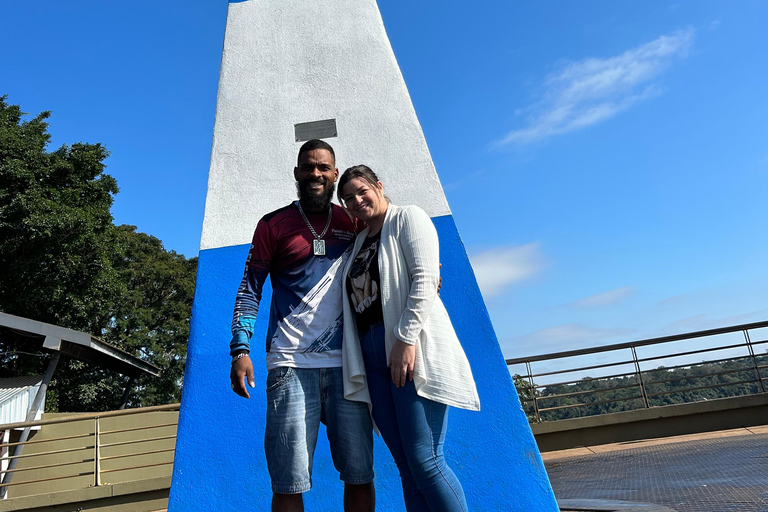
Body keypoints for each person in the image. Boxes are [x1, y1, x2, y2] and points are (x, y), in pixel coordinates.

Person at [229, 140, 375, 512]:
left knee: (361, 474)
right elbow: (250, 287)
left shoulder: (353, 221)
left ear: (335, 174)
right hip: (290, 366)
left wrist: (427, 268)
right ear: (297, 173)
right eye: (308, 167)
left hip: (349, 366)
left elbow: (390, 250)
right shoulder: (272, 225)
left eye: (323, 168)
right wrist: (240, 348)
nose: (315, 174)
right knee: (288, 480)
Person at [338, 165, 481, 512]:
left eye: (362, 191)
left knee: (427, 460)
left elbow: (426, 277)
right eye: (347, 199)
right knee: (406, 467)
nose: (356, 201)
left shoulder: (407, 218)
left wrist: (404, 339)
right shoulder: (358, 242)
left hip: (407, 352)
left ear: (379, 186)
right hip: (373, 363)